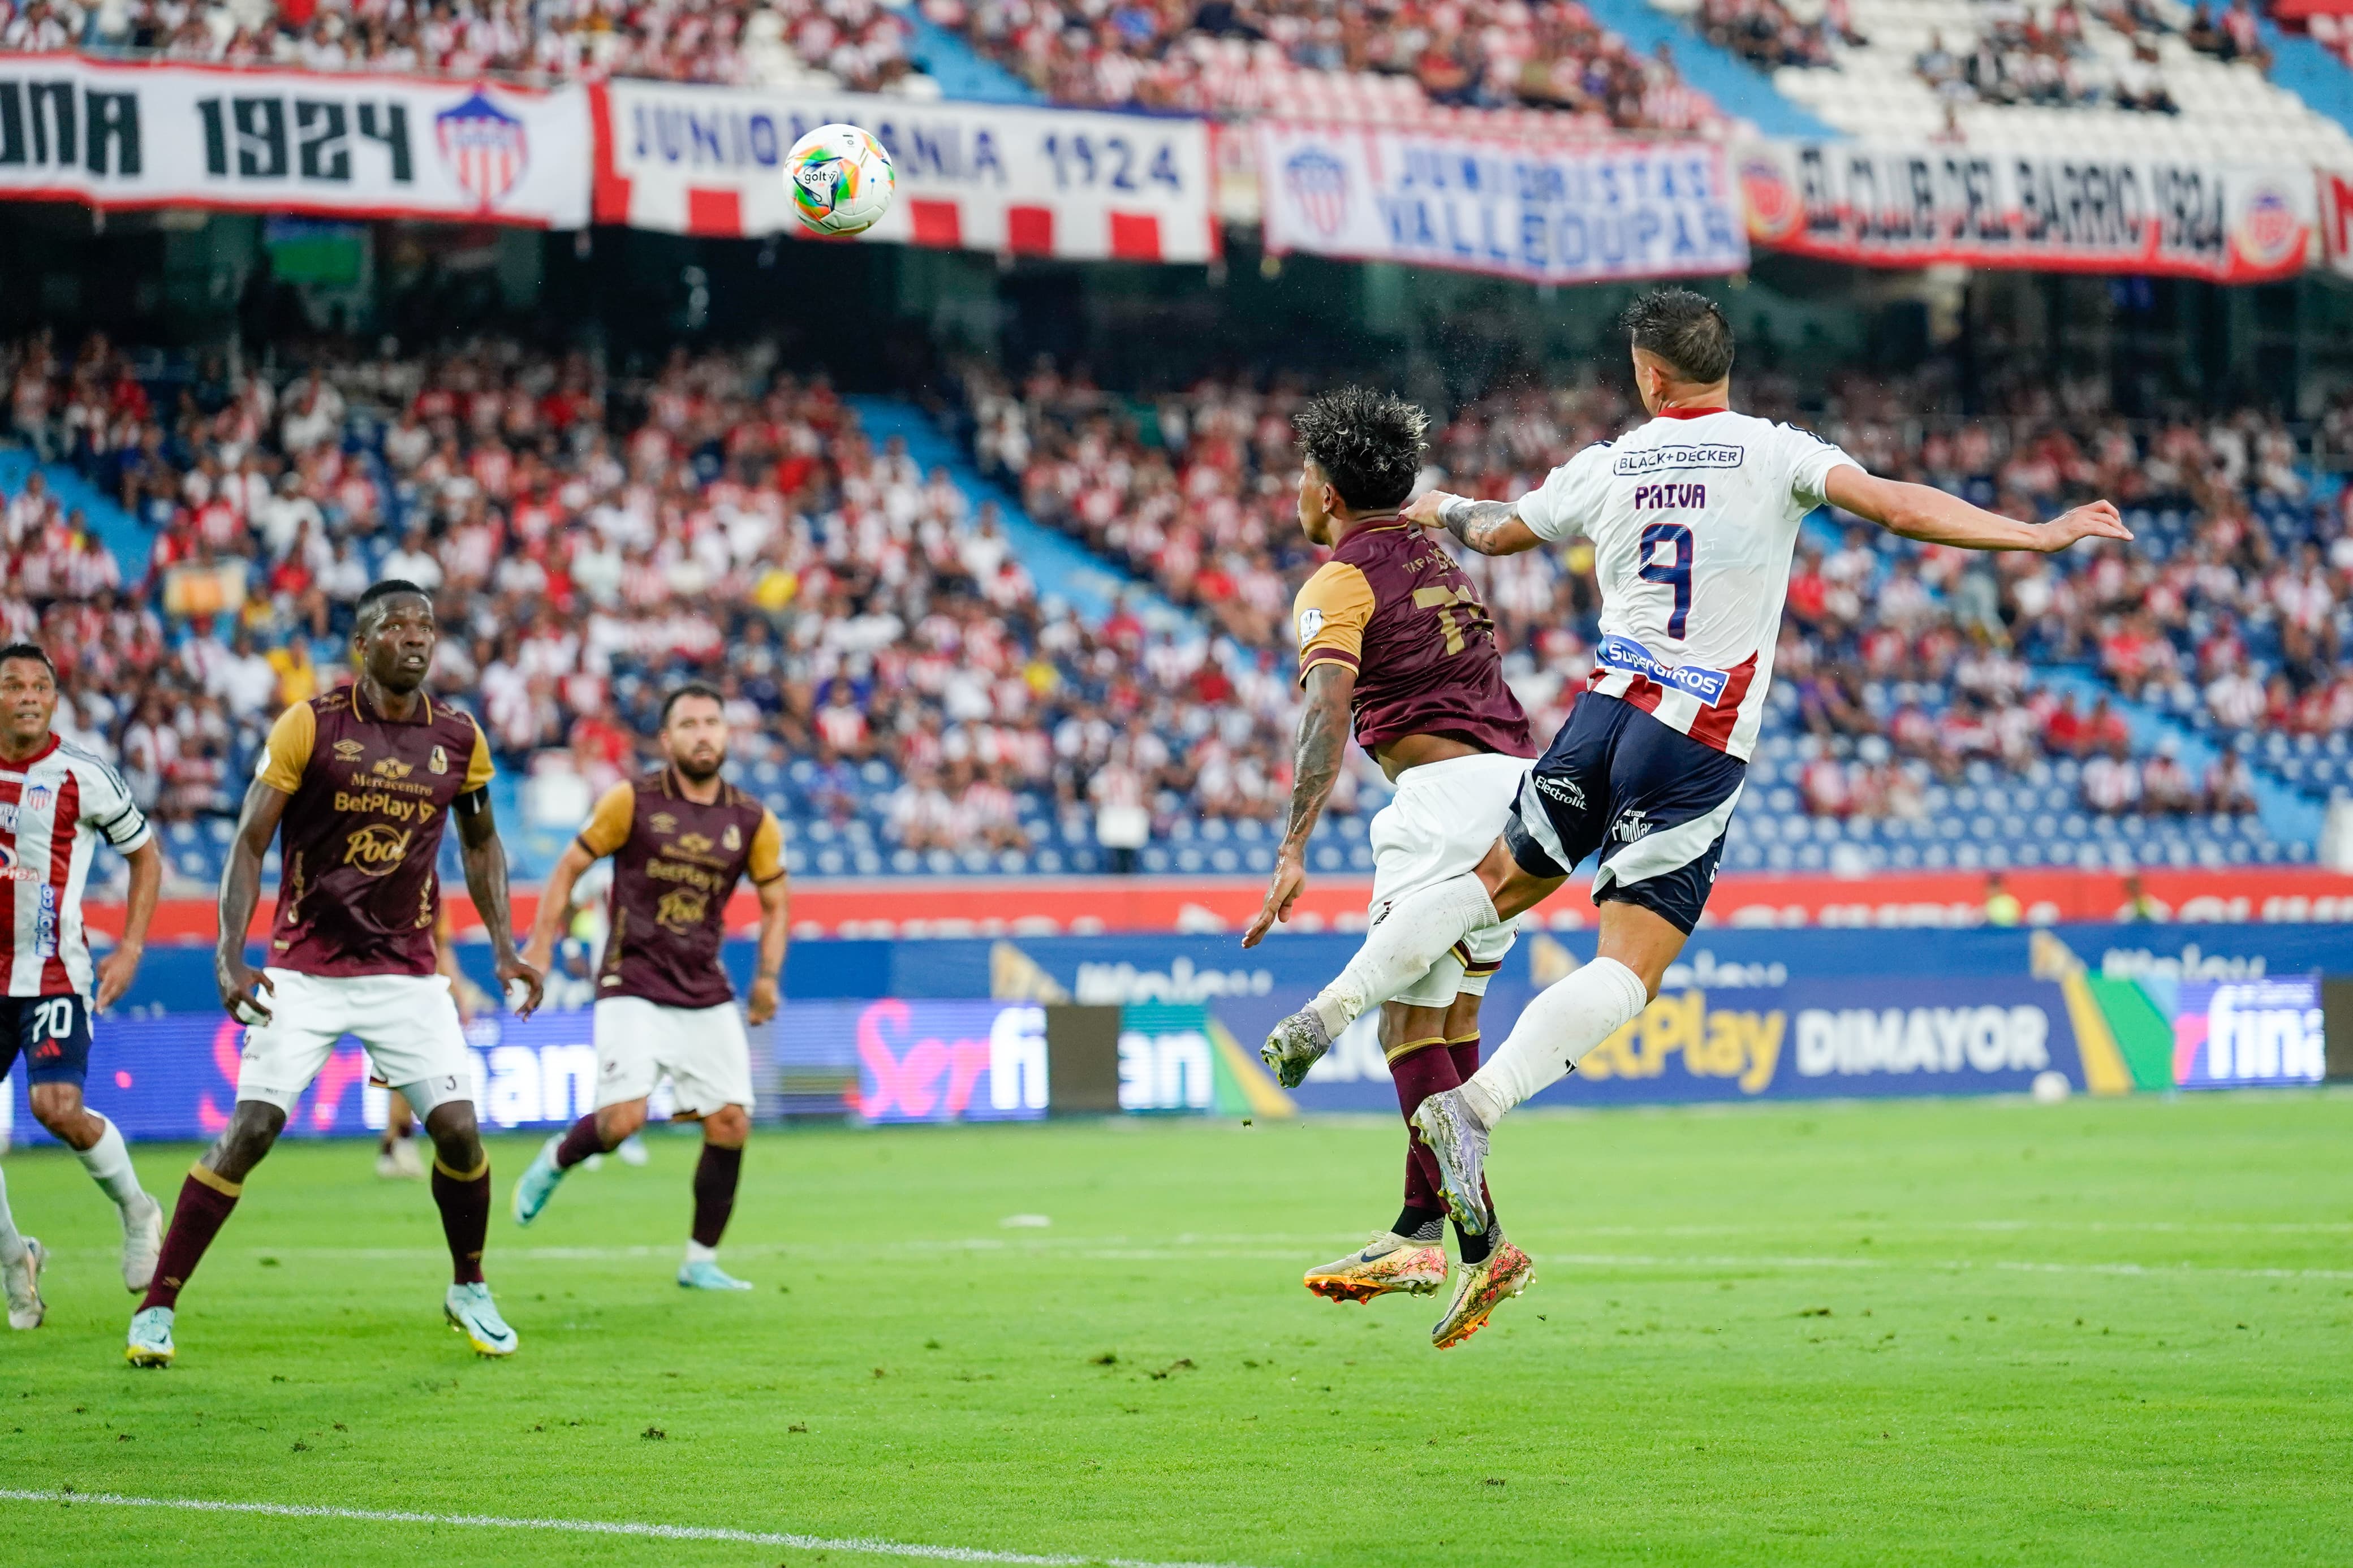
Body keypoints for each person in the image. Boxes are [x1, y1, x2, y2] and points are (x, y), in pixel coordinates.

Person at [1257, 288, 2134, 1234]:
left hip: (1601, 715)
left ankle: (1335, 1005)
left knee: (1491, 881)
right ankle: (1474, 1108)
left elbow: (1499, 529)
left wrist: (1440, 504)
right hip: (1696, 740)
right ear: (1722, 367)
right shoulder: (1777, 449)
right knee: (1631, 966)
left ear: (1648, 373)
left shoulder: (1614, 461)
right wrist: (2034, 534)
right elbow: (1894, 506)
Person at [126, 581, 544, 1367]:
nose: (416, 636)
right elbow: (250, 840)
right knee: (249, 1132)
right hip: (305, 969)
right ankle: (157, 1307)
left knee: (458, 1131)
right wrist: (229, 952)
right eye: (397, 625)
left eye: (426, 624)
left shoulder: (458, 736)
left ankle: (470, 1285)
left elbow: (481, 842)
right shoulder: (310, 724)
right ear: (362, 644)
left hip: (407, 971)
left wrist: (504, 944)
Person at [1242, 387, 1539, 1350]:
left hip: (1443, 803)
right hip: (1517, 791)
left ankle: (1478, 1241)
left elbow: (1326, 713)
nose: (1296, 488)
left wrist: (1293, 847)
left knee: (1405, 1026)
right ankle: (1419, 1231)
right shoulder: (1434, 555)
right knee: (1446, 1022)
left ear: (1325, 491)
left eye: (1301, 475)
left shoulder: (1336, 583)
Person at [510, 682, 789, 1291]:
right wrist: (538, 941)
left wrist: (767, 977)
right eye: (688, 723)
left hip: (704, 986)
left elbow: (775, 902)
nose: (702, 733)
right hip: (632, 977)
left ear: (726, 733)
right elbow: (569, 867)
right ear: (666, 739)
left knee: (731, 1122)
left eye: (712, 721)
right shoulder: (629, 801)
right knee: (622, 1121)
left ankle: (700, 1260)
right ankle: (559, 1158)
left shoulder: (751, 819)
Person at [0, 643, 167, 1331]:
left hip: (53, 974)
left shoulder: (81, 775)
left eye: (41, 685)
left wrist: (130, 946)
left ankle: (137, 1208)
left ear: (56, 700)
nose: (30, 696)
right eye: (14, 685)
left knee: (57, 1106)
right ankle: (17, 1259)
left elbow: (146, 853)